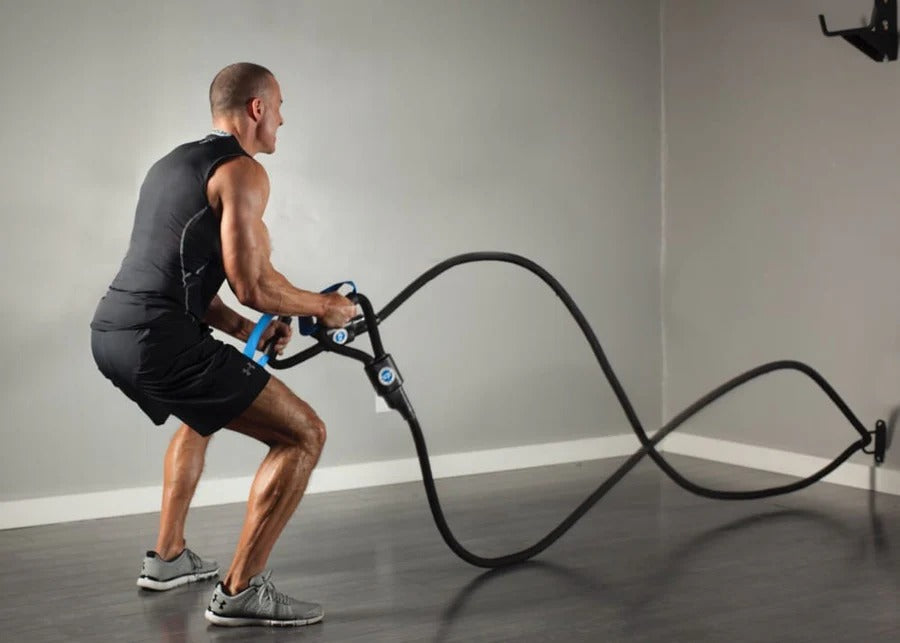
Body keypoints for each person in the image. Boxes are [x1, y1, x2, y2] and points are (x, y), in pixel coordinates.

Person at [90, 62, 357, 627]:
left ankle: (167, 559)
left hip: (113, 332)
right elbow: (254, 285)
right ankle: (241, 590)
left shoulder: (171, 165)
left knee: (198, 414)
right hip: (161, 341)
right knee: (304, 433)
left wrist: (245, 330)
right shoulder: (243, 172)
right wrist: (327, 306)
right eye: (279, 106)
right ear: (255, 108)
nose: (284, 118)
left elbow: (175, 277)